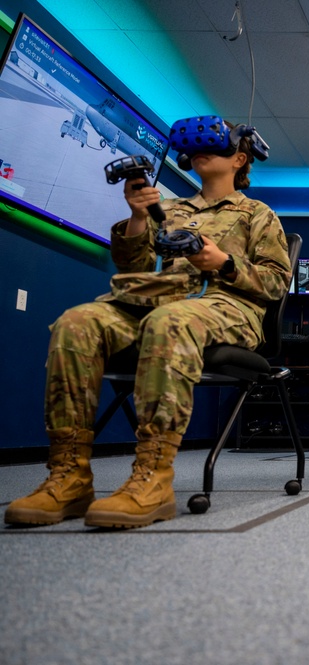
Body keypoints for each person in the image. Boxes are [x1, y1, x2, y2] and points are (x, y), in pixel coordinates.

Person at [5, 120, 292, 529]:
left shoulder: (256, 214)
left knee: (170, 321)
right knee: (77, 322)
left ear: (240, 159)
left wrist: (223, 263)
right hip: (154, 301)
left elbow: (276, 283)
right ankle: (68, 477)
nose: (200, 152)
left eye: (214, 146)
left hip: (226, 307)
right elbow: (134, 267)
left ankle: (153, 479)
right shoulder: (169, 209)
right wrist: (138, 217)